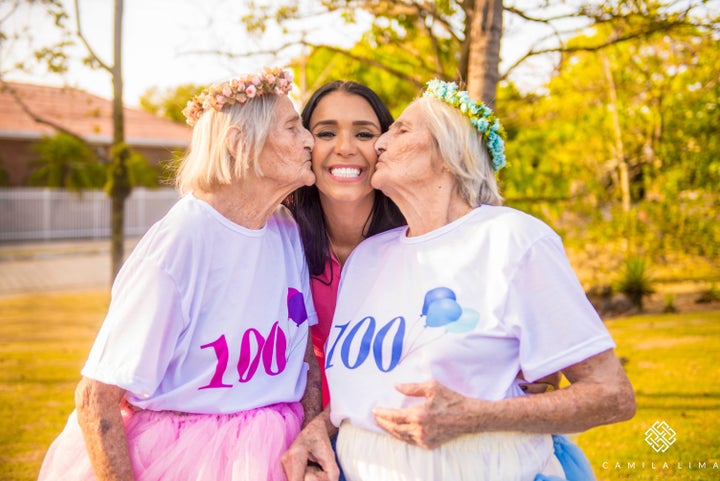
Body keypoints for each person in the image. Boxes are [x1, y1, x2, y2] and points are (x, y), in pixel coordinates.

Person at [282, 79, 636, 481]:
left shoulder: (512, 239)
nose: (379, 144)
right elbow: (373, 388)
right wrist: (318, 429)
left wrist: (477, 416)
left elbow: (613, 395)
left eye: (400, 130)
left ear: (449, 153)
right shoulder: (369, 256)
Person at [37, 66, 322, 481]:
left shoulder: (284, 227)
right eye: (293, 128)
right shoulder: (182, 240)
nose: (309, 140)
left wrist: (311, 440)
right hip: (186, 458)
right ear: (240, 143)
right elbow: (96, 397)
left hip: (276, 449)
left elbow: (304, 361)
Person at [283, 80, 405, 409]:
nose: (346, 148)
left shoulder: (419, 238)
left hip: (397, 426)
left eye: (364, 134)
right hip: (306, 420)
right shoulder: (280, 240)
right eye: (326, 133)